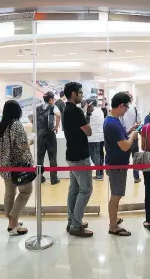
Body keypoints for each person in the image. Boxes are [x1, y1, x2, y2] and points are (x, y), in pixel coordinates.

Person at [0, 100, 33, 236]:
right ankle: (13, 222)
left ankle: (11, 220)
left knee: (9, 192)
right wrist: (31, 141)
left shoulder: (1, 126)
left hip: (4, 164)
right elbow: (22, 145)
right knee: (26, 191)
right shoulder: (16, 125)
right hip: (18, 165)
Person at [104, 92, 138, 236]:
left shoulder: (112, 120)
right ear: (121, 105)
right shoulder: (113, 123)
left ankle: (114, 219)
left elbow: (119, 138)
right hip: (116, 165)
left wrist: (128, 131)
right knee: (116, 195)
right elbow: (124, 146)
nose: (126, 110)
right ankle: (113, 226)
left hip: (115, 163)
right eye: (126, 107)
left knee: (116, 194)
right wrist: (133, 136)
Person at [62, 82, 93, 237]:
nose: (82, 95)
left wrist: (87, 114)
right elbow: (88, 132)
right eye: (80, 92)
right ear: (73, 94)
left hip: (71, 155)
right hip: (80, 156)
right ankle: (75, 225)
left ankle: (72, 221)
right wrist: (87, 116)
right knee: (86, 190)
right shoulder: (75, 111)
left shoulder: (66, 110)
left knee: (74, 190)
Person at [34, 91, 61, 185]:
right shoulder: (53, 106)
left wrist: (36, 126)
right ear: (50, 99)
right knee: (52, 157)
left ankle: (39, 178)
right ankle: (54, 179)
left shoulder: (38, 107)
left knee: (39, 157)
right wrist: (56, 126)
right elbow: (58, 115)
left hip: (40, 135)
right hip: (50, 135)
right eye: (53, 99)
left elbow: (30, 116)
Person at [119, 93, 142, 183]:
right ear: (131, 99)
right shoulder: (135, 109)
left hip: (124, 136)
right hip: (134, 136)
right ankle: (136, 177)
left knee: (124, 158)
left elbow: (119, 123)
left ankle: (122, 176)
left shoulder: (121, 109)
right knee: (135, 157)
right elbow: (139, 121)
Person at [86, 99, 105, 180]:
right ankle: (101, 172)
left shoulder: (91, 112)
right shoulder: (100, 111)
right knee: (100, 155)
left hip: (92, 138)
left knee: (95, 156)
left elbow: (86, 122)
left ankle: (98, 174)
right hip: (101, 137)